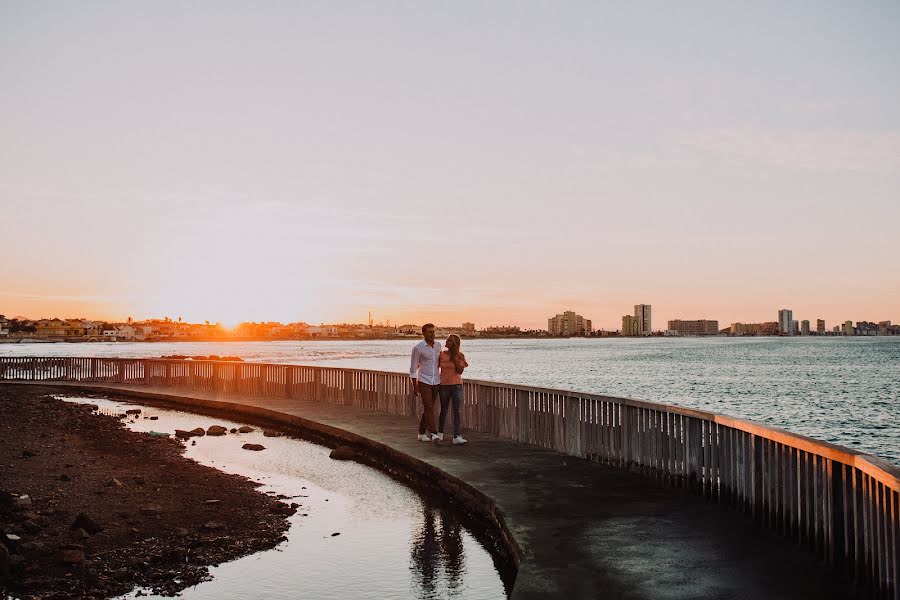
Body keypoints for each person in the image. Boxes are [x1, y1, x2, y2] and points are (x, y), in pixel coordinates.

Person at [410, 323, 442, 441]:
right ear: (423, 333)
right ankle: (433, 433)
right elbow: (413, 368)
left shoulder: (438, 346)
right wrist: (415, 385)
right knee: (428, 406)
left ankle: (421, 433)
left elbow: (440, 363)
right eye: (430, 332)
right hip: (424, 381)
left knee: (429, 407)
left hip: (436, 381)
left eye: (433, 332)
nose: (432, 334)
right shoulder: (418, 348)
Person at [437, 334, 468, 444]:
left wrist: (455, 358)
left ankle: (456, 436)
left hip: (456, 385)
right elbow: (434, 367)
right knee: (443, 410)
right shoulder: (441, 355)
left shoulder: (460, 356)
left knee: (457, 411)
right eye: (447, 340)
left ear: (454, 344)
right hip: (444, 385)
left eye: (449, 341)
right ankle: (440, 433)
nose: (446, 342)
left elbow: (460, 371)